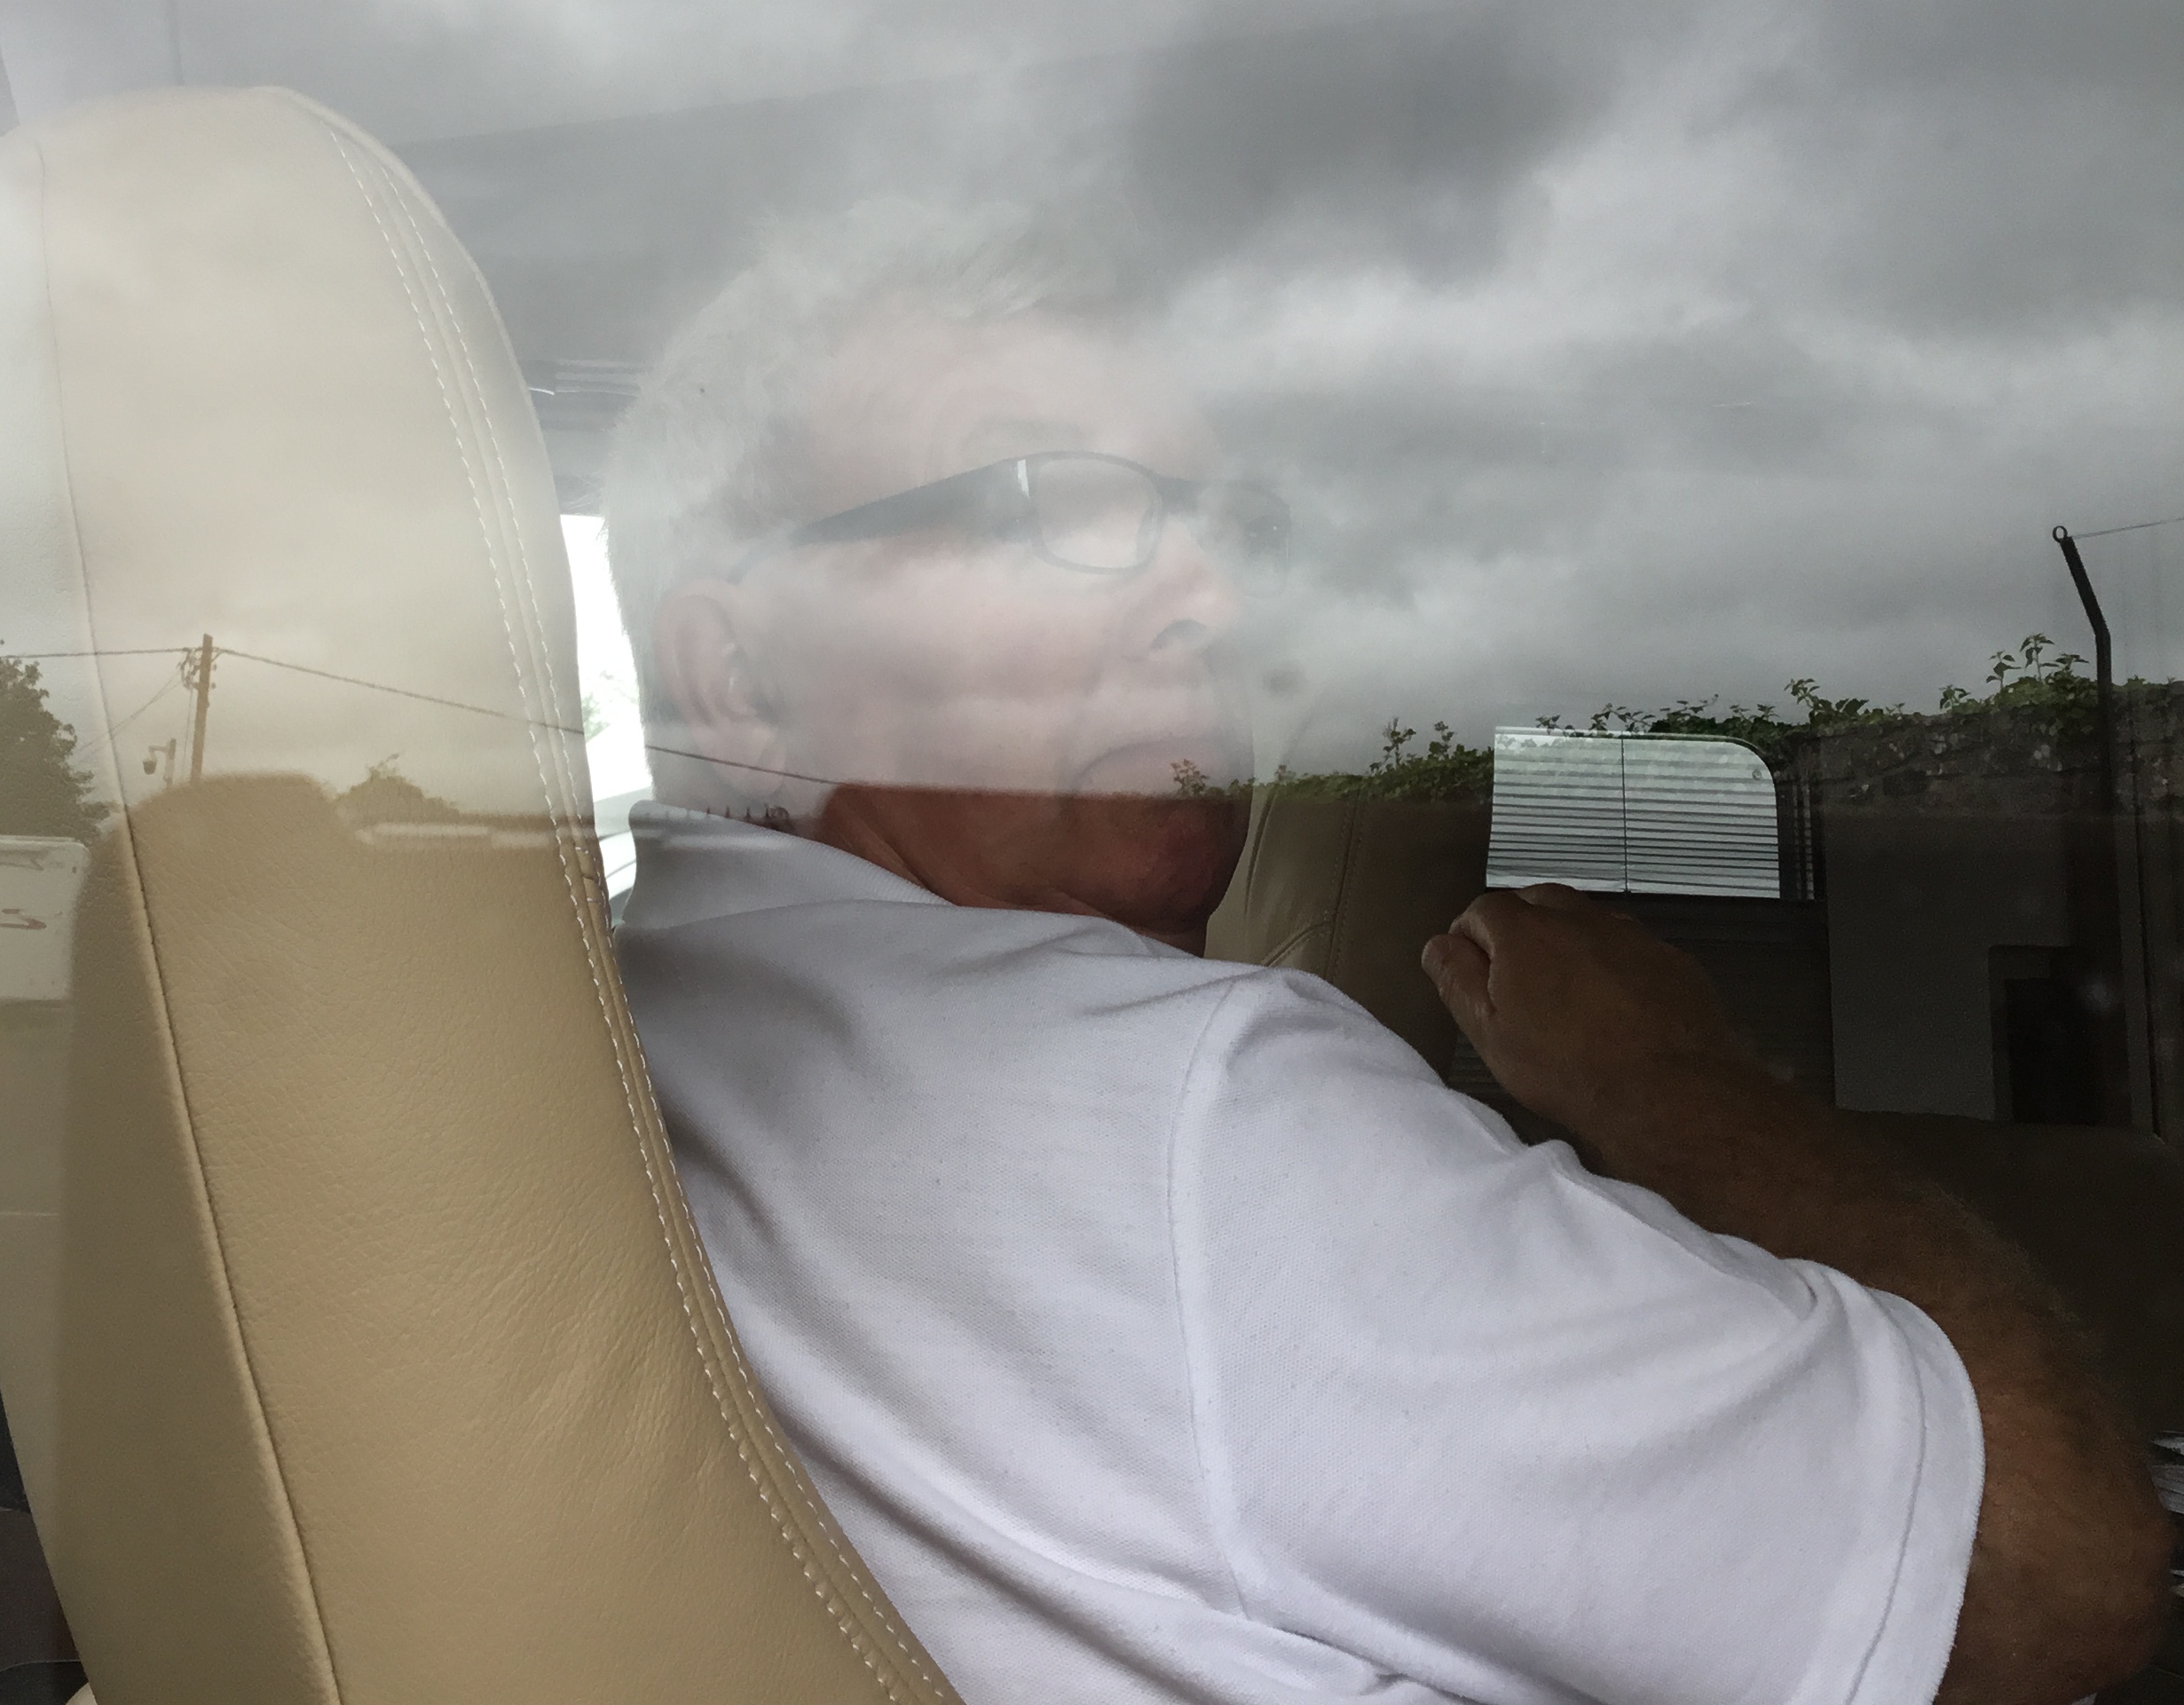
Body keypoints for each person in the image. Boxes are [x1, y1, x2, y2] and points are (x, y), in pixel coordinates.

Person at [601, 203, 2165, 1705]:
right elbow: (2054, 1568)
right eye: (1056, 510)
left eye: (1231, 527)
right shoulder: (1192, 1112)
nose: (1217, 597)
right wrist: (1667, 1076)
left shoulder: (617, 1032)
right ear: (738, 677)